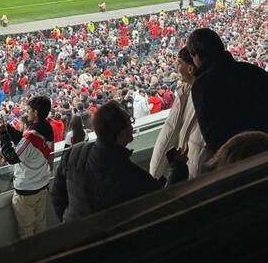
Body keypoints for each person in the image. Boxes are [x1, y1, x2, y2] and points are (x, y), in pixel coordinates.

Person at [51, 101, 160, 222]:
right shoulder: (131, 174)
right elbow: (165, 197)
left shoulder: (73, 153)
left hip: (73, 234)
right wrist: (178, 167)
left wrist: (68, 222)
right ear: (122, 134)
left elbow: (57, 195)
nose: (132, 127)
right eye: (130, 123)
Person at [187, 28, 268, 154]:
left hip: (236, 162)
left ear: (196, 55)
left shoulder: (201, 86)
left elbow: (212, 139)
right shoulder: (251, 70)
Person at [0, 95, 54, 239]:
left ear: (35, 112)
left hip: (27, 191)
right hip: (42, 185)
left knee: (27, 230)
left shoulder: (31, 137)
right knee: (41, 224)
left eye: (28, 110)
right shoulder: (47, 127)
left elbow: (11, 157)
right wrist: (9, 129)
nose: (26, 112)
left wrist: (4, 134)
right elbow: (25, 146)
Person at [150, 47, 206, 180]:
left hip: (197, 174)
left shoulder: (200, 93)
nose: (176, 68)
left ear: (191, 68)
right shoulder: (185, 91)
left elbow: (170, 132)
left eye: (179, 63)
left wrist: (153, 177)